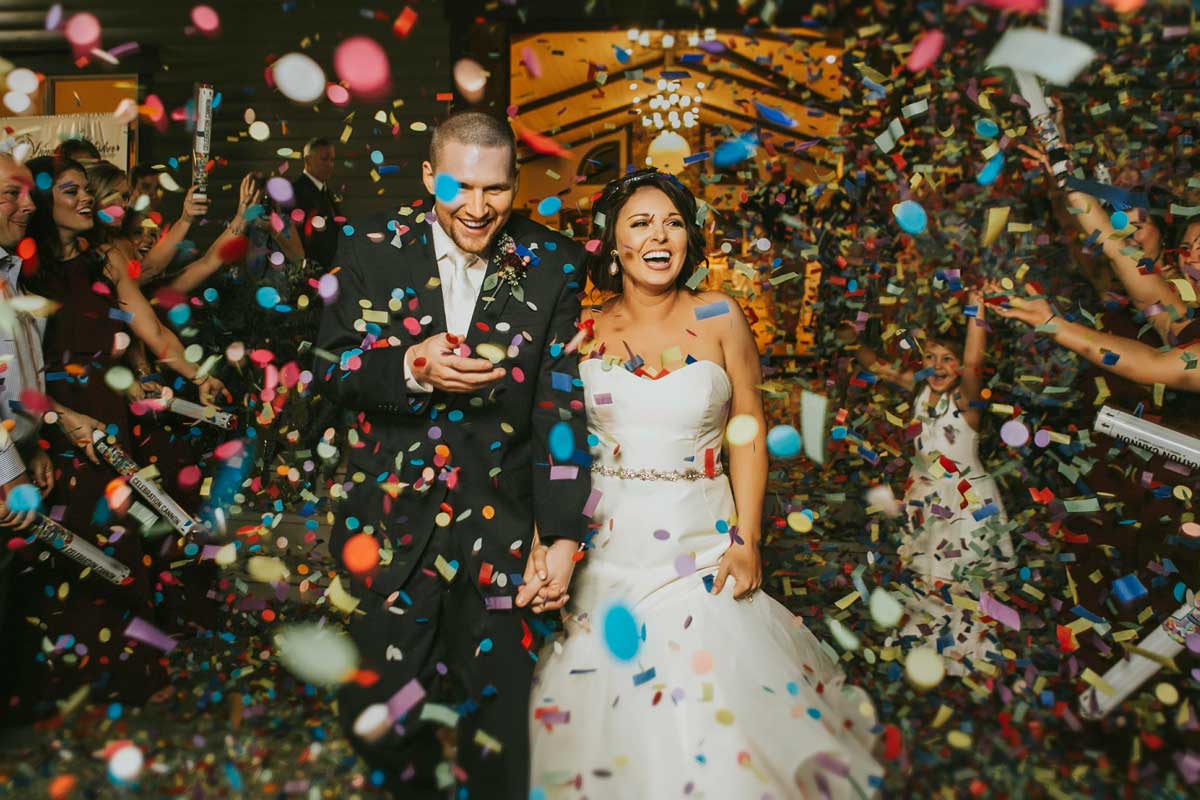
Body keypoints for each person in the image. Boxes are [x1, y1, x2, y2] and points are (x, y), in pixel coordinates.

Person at [526, 170, 883, 799]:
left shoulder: (721, 313)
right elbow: (556, 445)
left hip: (704, 543)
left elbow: (747, 428)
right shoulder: (583, 327)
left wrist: (747, 539)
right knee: (607, 710)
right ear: (612, 243)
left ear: (690, 238)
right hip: (608, 547)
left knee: (712, 705)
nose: (659, 236)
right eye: (640, 223)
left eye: (673, 222)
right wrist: (544, 538)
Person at [316, 111, 590, 799]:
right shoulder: (369, 244)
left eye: (495, 190)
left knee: (498, 722)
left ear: (515, 185)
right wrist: (407, 364)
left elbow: (561, 403)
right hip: (389, 525)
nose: (477, 207)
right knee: (374, 715)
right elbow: (328, 366)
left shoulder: (554, 262)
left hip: (500, 527)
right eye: (460, 186)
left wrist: (559, 536)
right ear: (428, 175)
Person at [856, 292, 1014, 671]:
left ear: (959, 366)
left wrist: (976, 310)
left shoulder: (965, 398)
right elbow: (879, 365)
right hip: (926, 495)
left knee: (959, 580)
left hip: (965, 500)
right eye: (931, 357)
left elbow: (976, 363)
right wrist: (852, 339)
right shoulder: (920, 389)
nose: (938, 366)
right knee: (925, 576)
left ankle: (968, 654)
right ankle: (927, 647)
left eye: (948, 359)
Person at [0, 152, 55, 682]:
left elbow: (15, 380)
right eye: (10, 195)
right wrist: (9, 472)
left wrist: (32, 445)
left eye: (26, 192)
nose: (28, 204)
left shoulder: (10, 273)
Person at [292, 137, 340, 267]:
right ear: (308, 160)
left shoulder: (327, 192)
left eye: (332, 160)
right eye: (324, 159)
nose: (330, 164)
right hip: (310, 271)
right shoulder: (296, 193)